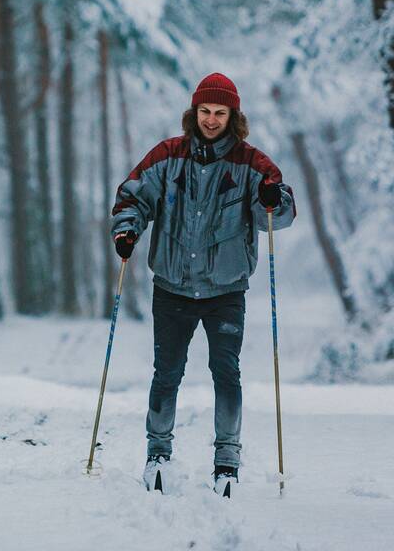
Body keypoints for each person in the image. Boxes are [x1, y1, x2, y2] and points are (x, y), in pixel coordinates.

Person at [110, 72, 295, 494]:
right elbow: (132, 197)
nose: (212, 120)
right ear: (194, 113)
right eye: (205, 111)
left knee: (225, 373)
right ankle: (157, 455)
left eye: (220, 113)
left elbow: (281, 213)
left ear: (234, 116)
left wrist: (273, 200)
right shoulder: (167, 156)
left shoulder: (252, 164)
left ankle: (227, 462)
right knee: (167, 373)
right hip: (172, 285)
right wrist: (127, 230)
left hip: (225, 289)